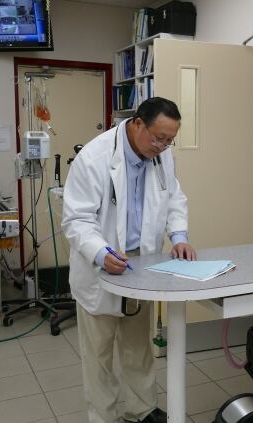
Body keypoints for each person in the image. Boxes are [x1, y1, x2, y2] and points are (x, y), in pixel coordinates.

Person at [62, 97, 196, 423]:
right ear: (137, 123)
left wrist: (179, 236)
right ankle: (104, 417)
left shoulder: (162, 156)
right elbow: (77, 220)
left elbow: (173, 196)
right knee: (99, 355)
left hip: (141, 267)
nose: (163, 146)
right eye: (158, 138)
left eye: (169, 140)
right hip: (102, 266)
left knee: (138, 348)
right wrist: (100, 253)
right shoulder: (94, 157)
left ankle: (142, 411)